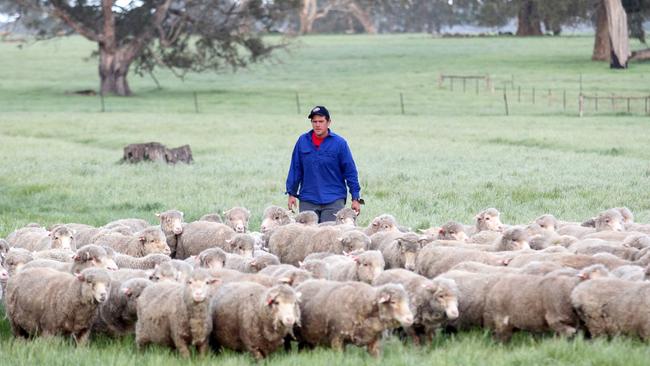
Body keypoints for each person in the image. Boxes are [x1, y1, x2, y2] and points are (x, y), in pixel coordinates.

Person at [285, 105, 362, 223]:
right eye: (314, 121)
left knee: (330, 236)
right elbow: (296, 169)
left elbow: (350, 172)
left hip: (334, 199)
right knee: (306, 237)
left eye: (321, 121)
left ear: (329, 122)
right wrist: (291, 193)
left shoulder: (340, 143)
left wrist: (355, 198)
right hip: (308, 199)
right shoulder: (302, 141)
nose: (317, 124)